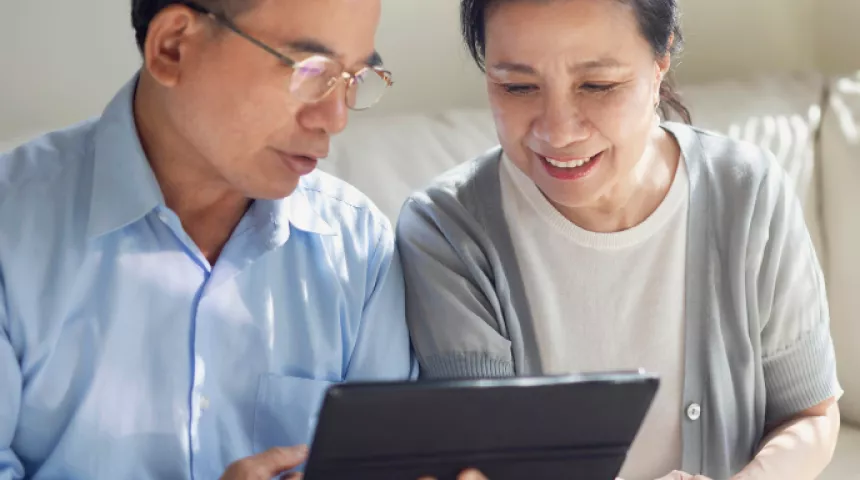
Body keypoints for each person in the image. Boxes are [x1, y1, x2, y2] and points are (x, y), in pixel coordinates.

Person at [397, 0, 843, 479]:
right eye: (518, 86)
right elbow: (481, 460)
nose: (558, 131)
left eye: (597, 85)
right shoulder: (446, 233)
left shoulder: (748, 193)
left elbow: (809, 414)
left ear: (660, 63)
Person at [0, 0, 419, 478]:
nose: (336, 118)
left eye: (354, 78)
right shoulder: (12, 228)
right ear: (174, 48)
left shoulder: (360, 249)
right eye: (310, 69)